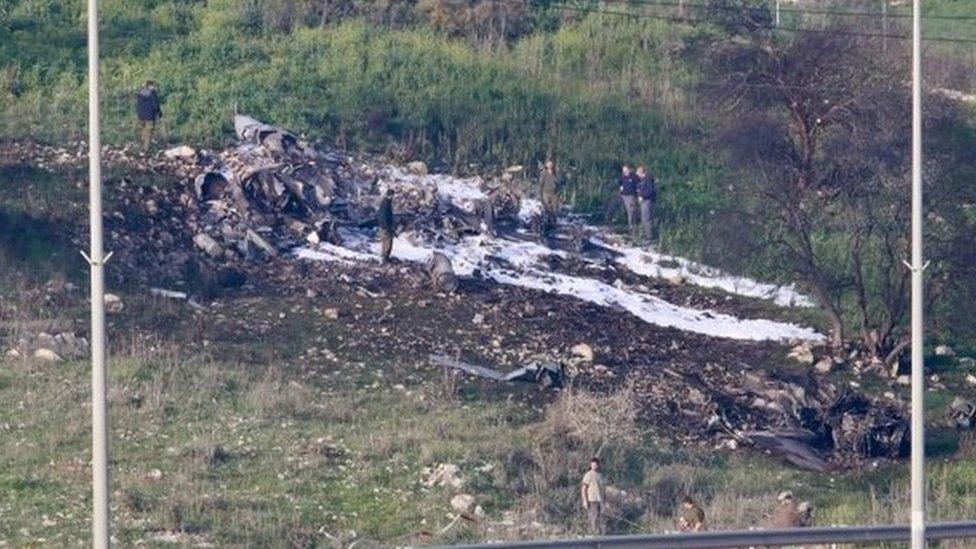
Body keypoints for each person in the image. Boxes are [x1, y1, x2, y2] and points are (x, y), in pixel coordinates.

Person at [580, 457, 607, 535]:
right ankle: (592, 534)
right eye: (592, 464)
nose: (594, 466)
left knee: (601, 518)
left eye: (595, 464)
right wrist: (585, 500)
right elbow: (584, 488)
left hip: (600, 500)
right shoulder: (588, 475)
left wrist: (604, 501)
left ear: (598, 465)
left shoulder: (600, 476)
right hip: (592, 500)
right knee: (593, 518)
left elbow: (603, 489)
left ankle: (600, 534)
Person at [135, 80, 163, 153]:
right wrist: (159, 113)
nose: (154, 87)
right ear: (150, 86)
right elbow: (155, 105)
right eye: (153, 85)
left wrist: (139, 114)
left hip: (141, 116)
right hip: (149, 116)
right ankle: (145, 150)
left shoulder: (140, 93)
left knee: (144, 131)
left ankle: (141, 147)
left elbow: (138, 105)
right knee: (149, 132)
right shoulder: (152, 93)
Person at [538, 160, 561, 238]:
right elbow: (541, 184)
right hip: (546, 193)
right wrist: (540, 194)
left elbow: (559, 182)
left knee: (554, 210)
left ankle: (553, 225)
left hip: (554, 194)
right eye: (549, 164)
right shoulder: (543, 173)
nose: (550, 165)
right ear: (546, 165)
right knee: (546, 209)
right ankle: (545, 227)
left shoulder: (555, 173)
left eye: (551, 164)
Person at [635, 165, 657, 246]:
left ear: (641, 172)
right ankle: (646, 235)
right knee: (644, 219)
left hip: (647, 202)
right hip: (643, 202)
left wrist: (642, 196)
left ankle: (649, 237)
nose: (636, 174)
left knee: (647, 219)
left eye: (637, 172)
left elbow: (650, 191)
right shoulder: (643, 180)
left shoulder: (648, 180)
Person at [618, 164, 638, 235]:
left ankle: (632, 229)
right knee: (625, 211)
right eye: (624, 170)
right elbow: (620, 183)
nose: (625, 172)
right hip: (624, 196)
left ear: (629, 170)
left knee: (631, 212)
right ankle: (625, 226)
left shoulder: (634, 177)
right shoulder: (623, 177)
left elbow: (637, 185)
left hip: (631, 196)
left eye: (626, 170)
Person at [377, 187, 395, 263]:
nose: (393, 197)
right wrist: (387, 226)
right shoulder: (386, 203)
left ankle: (386, 257)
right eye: (392, 195)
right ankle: (385, 257)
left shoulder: (386, 202)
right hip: (385, 226)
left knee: (388, 241)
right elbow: (383, 216)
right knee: (387, 241)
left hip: (385, 225)